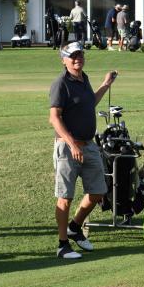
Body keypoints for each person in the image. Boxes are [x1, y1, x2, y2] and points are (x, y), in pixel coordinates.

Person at [49, 42, 117, 259]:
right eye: (73, 56)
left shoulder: (84, 78)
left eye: (80, 55)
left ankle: (75, 228)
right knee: (65, 196)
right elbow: (54, 118)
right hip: (68, 146)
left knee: (98, 191)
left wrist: (105, 85)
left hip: (89, 144)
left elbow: (89, 103)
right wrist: (71, 143)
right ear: (64, 60)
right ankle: (62, 245)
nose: (77, 59)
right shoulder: (61, 83)